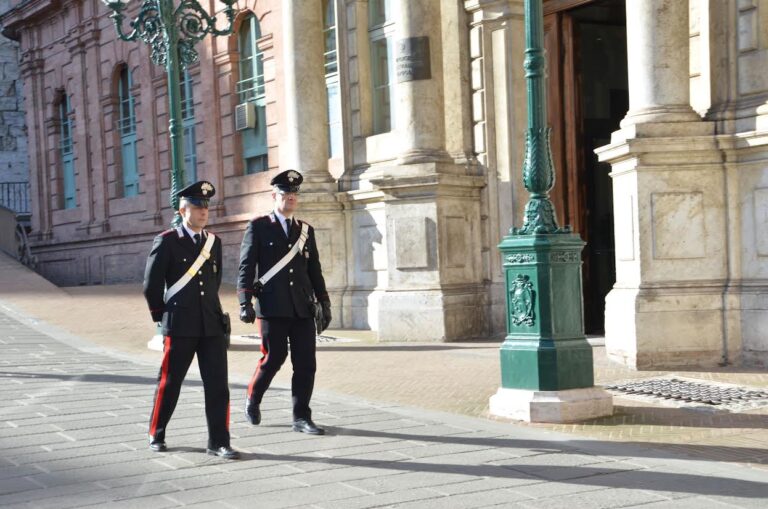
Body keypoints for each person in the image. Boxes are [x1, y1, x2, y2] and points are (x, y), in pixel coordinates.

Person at [143, 180, 239, 459]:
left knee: (218, 385)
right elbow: (151, 285)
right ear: (183, 209)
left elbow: (214, 281)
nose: (203, 212)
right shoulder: (168, 241)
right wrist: (163, 318)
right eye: (197, 207)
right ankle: (157, 432)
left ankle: (219, 441)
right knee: (170, 381)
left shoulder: (214, 242)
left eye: (206, 207)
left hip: (210, 324)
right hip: (180, 324)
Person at [238, 169, 332, 435]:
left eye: (293, 194)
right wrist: (244, 301)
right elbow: (246, 267)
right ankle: (253, 399)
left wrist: (324, 302)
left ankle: (301, 416)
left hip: (301, 307)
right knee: (274, 357)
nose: (290, 198)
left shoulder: (305, 230)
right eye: (285, 194)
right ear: (274, 196)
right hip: (271, 306)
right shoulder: (258, 227)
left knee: (306, 363)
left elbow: (314, 270)